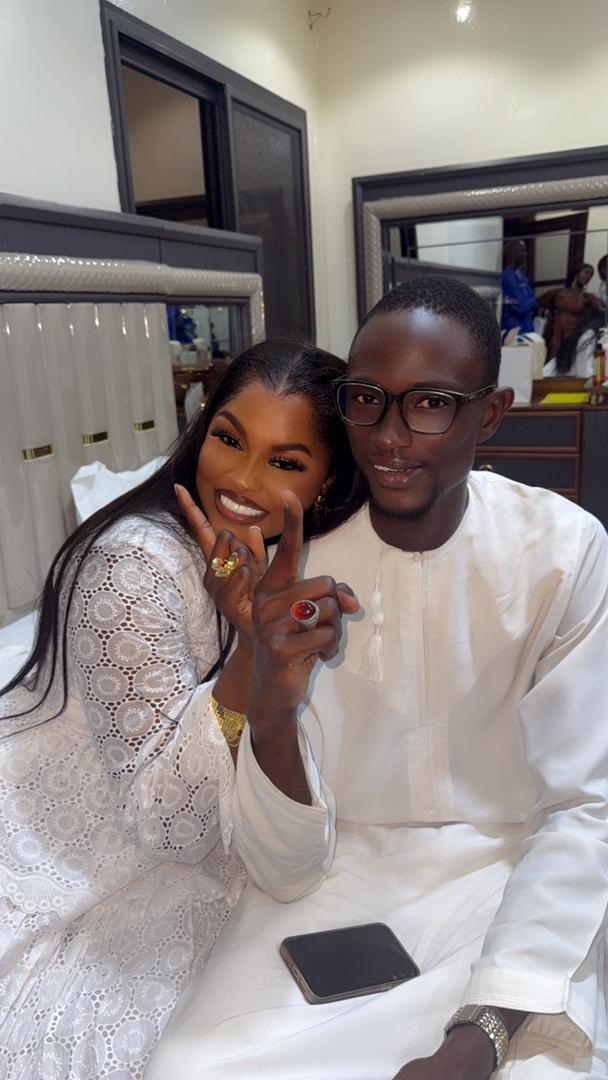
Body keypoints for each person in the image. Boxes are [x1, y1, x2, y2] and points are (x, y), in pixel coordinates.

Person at [149, 276, 608, 1080]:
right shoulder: (294, 568)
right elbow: (285, 866)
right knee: (188, 1068)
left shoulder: (563, 554)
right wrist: (271, 697)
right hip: (334, 885)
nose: (389, 438)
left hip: (515, 883)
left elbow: (584, 808)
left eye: (430, 404)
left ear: (489, 414)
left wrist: (482, 1034)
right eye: (367, 400)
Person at [0, 340, 364, 1079]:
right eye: (229, 439)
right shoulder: (133, 565)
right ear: (202, 429)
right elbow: (165, 824)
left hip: (181, 841)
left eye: (284, 461)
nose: (241, 479)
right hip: (71, 857)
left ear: (326, 481)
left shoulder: (274, 561)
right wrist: (250, 654)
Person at [540, 263, 599, 362]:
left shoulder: (587, 297)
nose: (588, 277)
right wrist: (545, 312)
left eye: (590, 275)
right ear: (576, 274)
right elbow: (539, 303)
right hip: (555, 331)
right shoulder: (557, 292)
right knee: (552, 357)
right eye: (586, 273)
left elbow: (599, 311)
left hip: (574, 332)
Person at [500, 239, 537, 336]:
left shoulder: (522, 276)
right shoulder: (507, 277)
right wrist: (529, 303)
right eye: (522, 251)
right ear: (513, 253)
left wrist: (528, 303)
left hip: (527, 327)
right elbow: (521, 308)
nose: (525, 254)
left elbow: (535, 302)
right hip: (514, 329)